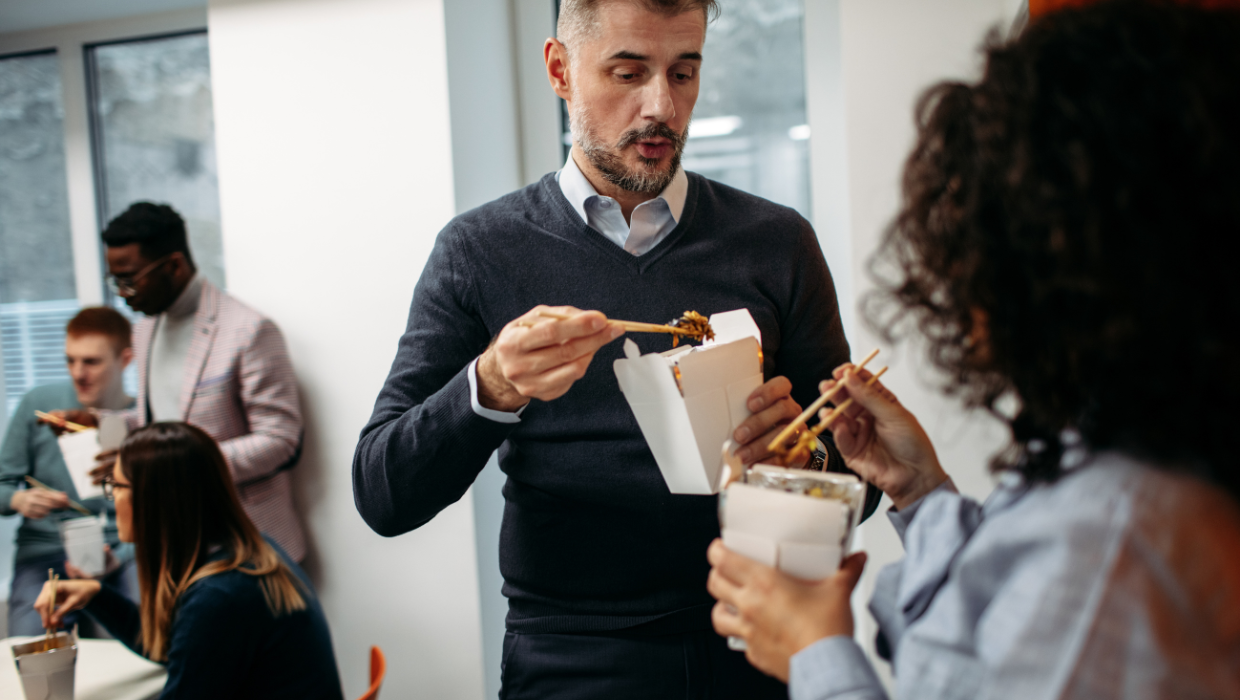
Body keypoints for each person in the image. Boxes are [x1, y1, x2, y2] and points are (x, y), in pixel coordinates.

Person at [706, 1, 1240, 698]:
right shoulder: (1129, 456)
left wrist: (816, 650)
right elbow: (991, 641)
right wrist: (921, 489)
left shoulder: (1114, 541)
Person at [353, 0, 875, 696]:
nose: (661, 106)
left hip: (757, 635)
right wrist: (491, 386)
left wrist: (802, 456)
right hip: (571, 652)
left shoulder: (777, 244)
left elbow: (857, 478)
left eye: (683, 73)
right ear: (560, 70)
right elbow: (383, 494)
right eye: (628, 72)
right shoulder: (478, 252)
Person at [66, 202, 307, 561]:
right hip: (172, 541)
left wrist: (175, 467)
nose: (121, 292)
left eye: (129, 279)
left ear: (174, 266)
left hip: (247, 542)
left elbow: (280, 440)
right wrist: (106, 422)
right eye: (114, 280)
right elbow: (166, 422)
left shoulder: (248, 330)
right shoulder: (146, 328)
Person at [35, 422, 342, 700]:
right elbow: (178, 646)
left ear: (154, 499)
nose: (112, 496)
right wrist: (96, 595)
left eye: (116, 486)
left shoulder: (220, 596)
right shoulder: (248, 555)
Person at [1, 306, 137, 636]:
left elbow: (161, 513)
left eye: (91, 361)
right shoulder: (40, 405)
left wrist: (118, 557)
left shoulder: (141, 420)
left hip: (122, 552)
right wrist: (19, 500)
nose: (78, 373)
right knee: (33, 646)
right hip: (44, 552)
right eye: (70, 360)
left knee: (144, 635)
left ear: (125, 359)